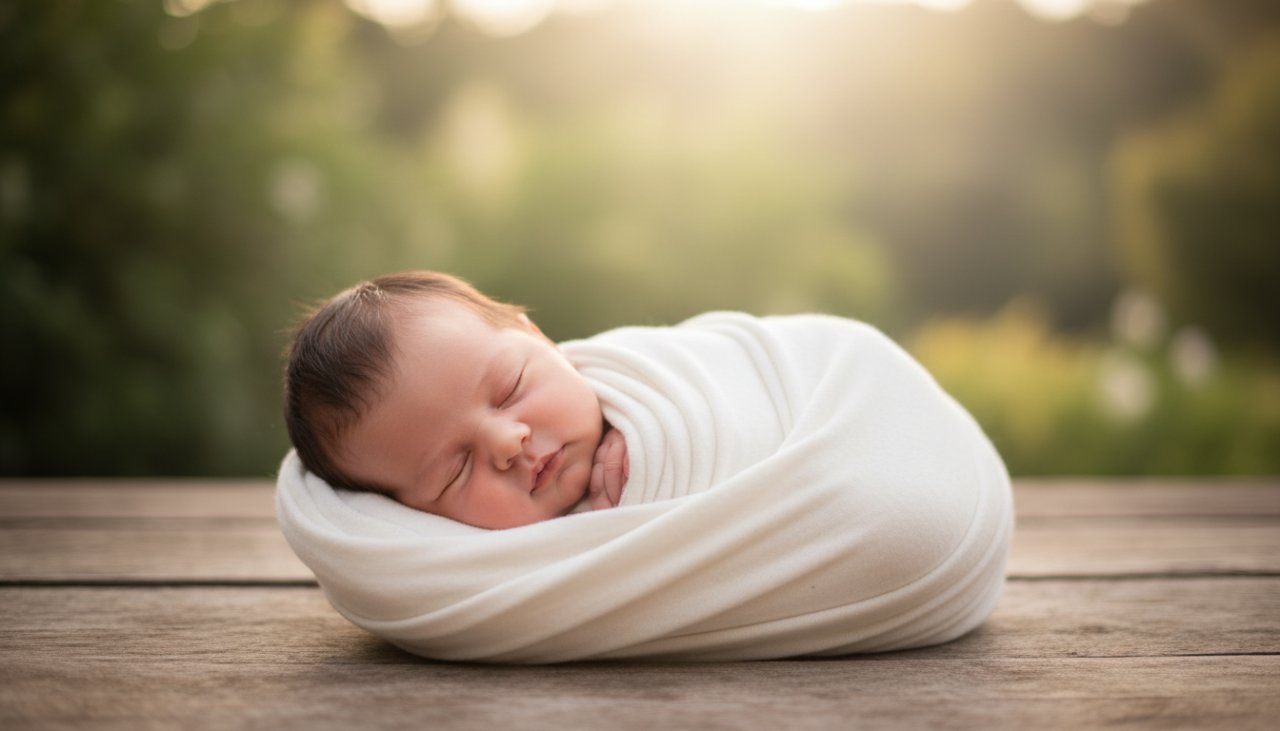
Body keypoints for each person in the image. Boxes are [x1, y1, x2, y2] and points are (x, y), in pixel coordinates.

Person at [283, 271, 629, 530]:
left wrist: (641, 429)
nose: (508, 441)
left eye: (511, 389)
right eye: (456, 470)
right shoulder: (467, 575)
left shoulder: (635, 372)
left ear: (539, 337)